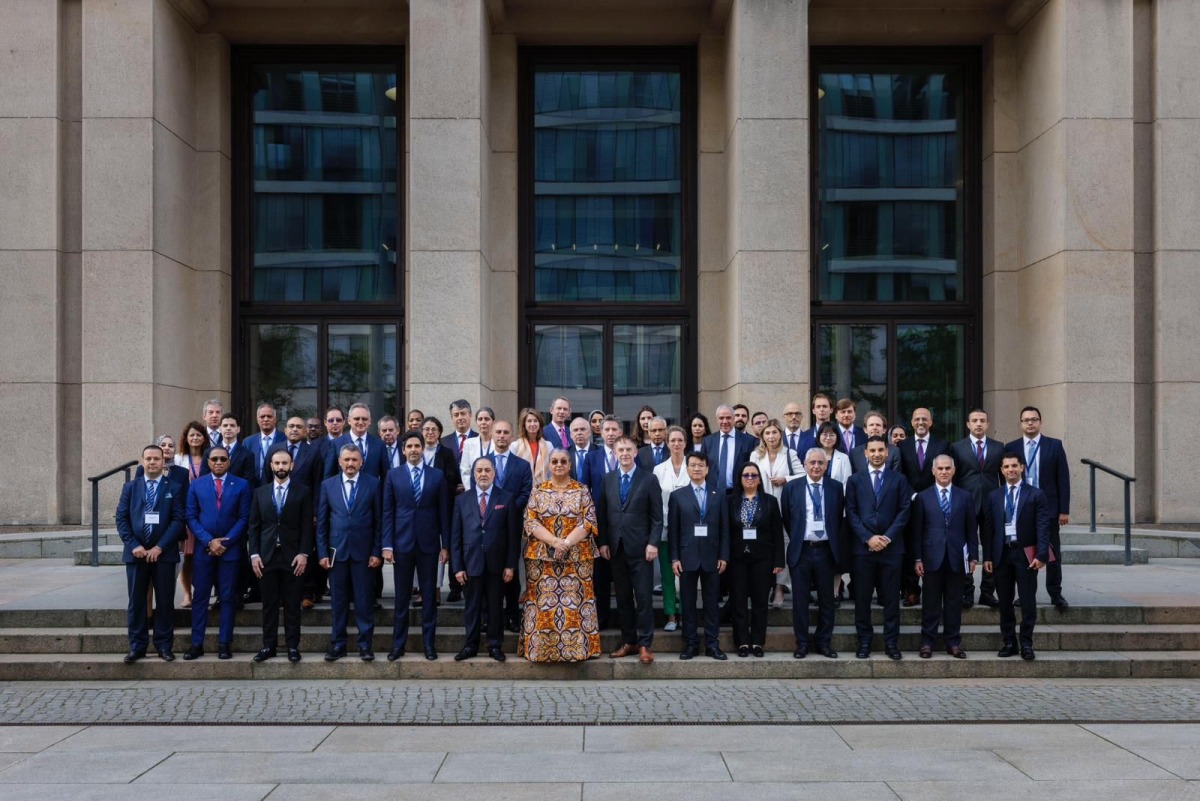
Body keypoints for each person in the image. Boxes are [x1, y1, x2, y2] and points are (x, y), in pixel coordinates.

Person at [519, 448, 602, 662]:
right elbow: (530, 520)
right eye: (554, 461)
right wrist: (555, 542)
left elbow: (589, 521)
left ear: (570, 464)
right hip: (542, 559)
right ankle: (542, 652)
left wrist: (566, 543)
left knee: (574, 605)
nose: (558, 465)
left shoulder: (581, 490)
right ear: (548, 465)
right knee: (544, 605)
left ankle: (577, 651)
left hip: (577, 558)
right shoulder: (538, 490)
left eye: (563, 461)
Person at [381, 430, 450, 661]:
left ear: (423, 448)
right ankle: (397, 646)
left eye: (417, 446)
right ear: (403, 450)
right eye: (409, 446)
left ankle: (429, 645)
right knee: (401, 598)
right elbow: (388, 512)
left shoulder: (437, 476)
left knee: (429, 597)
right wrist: (387, 545)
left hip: (429, 544)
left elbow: (443, 513)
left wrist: (445, 545)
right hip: (401, 544)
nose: (413, 450)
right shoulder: (393, 475)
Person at [116, 444, 186, 663]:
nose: (153, 462)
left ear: (163, 462)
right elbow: (121, 519)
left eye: (157, 459)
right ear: (142, 461)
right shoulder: (130, 487)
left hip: (163, 555)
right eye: (149, 459)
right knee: (136, 602)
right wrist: (134, 544)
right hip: (136, 554)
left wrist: (159, 547)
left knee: (165, 602)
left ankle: (164, 646)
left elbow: (178, 521)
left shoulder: (173, 487)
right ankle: (137, 647)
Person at [597, 436, 663, 664]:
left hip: (641, 549)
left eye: (628, 449)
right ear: (614, 453)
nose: (624, 453)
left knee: (644, 599)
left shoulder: (649, 479)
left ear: (636, 453)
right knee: (623, 599)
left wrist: (653, 543)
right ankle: (629, 642)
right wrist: (603, 542)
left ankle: (645, 644)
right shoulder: (608, 479)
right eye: (620, 450)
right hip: (616, 548)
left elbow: (657, 517)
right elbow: (602, 516)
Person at [845, 436, 911, 660]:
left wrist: (887, 538)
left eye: (880, 450)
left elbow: (904, 511)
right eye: (872, 450)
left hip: (892, 550)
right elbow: (851, 513)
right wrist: (868, 538)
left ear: (887, 452)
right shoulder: (855, 480)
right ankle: (864, 642)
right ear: (865, 453)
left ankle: (891, 644)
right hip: (863, 550)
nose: (876, 454)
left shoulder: (899, 479)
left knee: (891, 600)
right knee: (862, 599)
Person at [184, 446, 253, 660]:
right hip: (204, 550)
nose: (219, 462)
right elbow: (191, 517)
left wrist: (226, 542)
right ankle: (197, 644)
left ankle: (225, 643)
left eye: (223, 459)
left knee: (228, 598)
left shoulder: (242, 485)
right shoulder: (197, 485)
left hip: (230, 551)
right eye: (214, 459)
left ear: (229, 461)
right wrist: (208, 541)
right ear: (208, 461)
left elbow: (244, 518)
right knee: (201, 597)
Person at [317, 444, 383, 662]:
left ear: (361, 462)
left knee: (364, 602)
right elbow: (322, 523)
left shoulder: (373, 484)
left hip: (364, 554)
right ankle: (338, 645)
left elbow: (378, 521)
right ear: (339, 461)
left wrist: (376, 551)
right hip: (337, 553)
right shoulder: (328, 485)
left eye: (355, 460)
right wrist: (322, 552)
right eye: (347, 460)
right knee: (338, 602)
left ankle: (365, 645)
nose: (351, 463)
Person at [451, 458, 519, 661]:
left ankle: (495, 645)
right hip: (470, 563)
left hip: (497, 564)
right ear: (473, 474)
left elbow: (513, 536)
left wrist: (510, 565)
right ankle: (470, 645)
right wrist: (457, 567)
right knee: (471, 607)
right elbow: (456, 536)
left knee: (496, 606)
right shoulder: (462, 500)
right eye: (479, 470)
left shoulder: (506, 498)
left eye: (487, 470)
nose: (483, 474)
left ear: (494, 473)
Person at [983, 454, 1051, 660]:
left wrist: (1041, 555)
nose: (1010, 469)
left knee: (1028, 601)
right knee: (1004, 601)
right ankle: (1009, 642)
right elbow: (988, 529)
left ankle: (1026, 643)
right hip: (1002, 554)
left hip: (1025, 555)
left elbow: (1043, 526)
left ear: (1022, 468)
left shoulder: (1036, 495)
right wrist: (987, 556)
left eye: (1014, 466)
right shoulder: (994, 496)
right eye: (1006, 466)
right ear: (1001, 471)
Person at [248, 448, 312, 663]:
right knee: (269, 604)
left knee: (293, 604)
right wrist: (254, 554)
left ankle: (293, 646)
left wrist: (304, 553)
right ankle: (269, 646)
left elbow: (307, 527)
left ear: (291, 465)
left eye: (285, 463)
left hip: (293, 557)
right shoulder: (260, 492)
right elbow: (254, 526)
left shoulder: (303, 492)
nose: (281, 467)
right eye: (277, 463)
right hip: (266, 557)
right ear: (271, 466)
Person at [780, 448, 845, 659]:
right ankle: (802, 643)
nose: (816, 466)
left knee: (827, 600)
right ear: (805, 465)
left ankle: (824, 642)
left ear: (826, 465)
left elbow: (838, 519)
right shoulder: (792, 487)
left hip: (826, 550)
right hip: (802, 550)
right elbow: (788, 518)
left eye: (820, 463)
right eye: (812, 463)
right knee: (800, 601)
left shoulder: (836, 488)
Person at [1005, 406, 1071, 609]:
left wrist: (1064, 510)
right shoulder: (1012, 447)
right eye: (1026, 420)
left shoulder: (1054, 445)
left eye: (1034, 419)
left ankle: (1055, 593)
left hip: (1048, 508)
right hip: (1022, 507)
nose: (1030, 423)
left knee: (1052, 552)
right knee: (1024, 552)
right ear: (1021, 423)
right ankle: (1025, 594)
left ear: (1040, 422)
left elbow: (1063, 479)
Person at [912, 455, 977, 659]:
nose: (944, 472)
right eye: (940, 468)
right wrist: (917, 558)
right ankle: (927, 642)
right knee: (930, 603)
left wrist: (973, 556)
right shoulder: (922, 497)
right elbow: (917, 531)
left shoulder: (964, 496)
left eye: (948, 468)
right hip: (931, 557)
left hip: (957, 557)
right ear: (933, 471)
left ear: (954, 470)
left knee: (953, 603)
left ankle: (953, 643)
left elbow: (971, 529)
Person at [668, 451, 729, 660]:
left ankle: (712, 644)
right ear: (687, 468)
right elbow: (673, 530)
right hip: (686, 557)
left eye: (700, 465)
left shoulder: (719, 494)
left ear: (707, 468)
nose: (696, 468)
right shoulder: (678, 495)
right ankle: (691, 644)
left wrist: (724, 555)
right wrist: (674, 558)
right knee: (688, 603)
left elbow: (725, 528)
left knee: (712, 603)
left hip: (713, 556)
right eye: (692, 465)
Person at [727, 462, 784, 658]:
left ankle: (758, 642)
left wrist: (779, 561)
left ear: (759, 479)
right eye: (746, 475)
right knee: (738, 601)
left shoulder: (770, 501)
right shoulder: (730, 501)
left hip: (763, 558)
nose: (750, 478)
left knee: (760, 601)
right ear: (740, 479)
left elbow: (778, 533)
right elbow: (725, 532)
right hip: (737, 558)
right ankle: (742, 641)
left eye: (754, 475)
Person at [950, 408, 1004, 609]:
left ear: (988, 424)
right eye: (974, 420)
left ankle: (988, 592)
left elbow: (1003, 476)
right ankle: (967, 591)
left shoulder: (999, 447)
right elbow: (953, 478)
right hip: (965, 503)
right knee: (965, 547)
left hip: (991, 504)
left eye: (982, 420)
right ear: (968, 424)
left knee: (992, 547)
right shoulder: (956, 447)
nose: (979, 424)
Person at [485, 421, 534, 633]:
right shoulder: (483, 462)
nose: (502, 436)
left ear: (511, 435)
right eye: (498, 432)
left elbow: (526, 492)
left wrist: (506, 509)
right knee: (489, 573)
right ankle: (489, 617)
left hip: (513, 525)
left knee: (511, 571)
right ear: (492, 435)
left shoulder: (522, 465)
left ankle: (513, 614)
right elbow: (479, 490)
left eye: (506, 432)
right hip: (487, 526)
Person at [897, 407, 949, 607]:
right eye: (917, 419)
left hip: (934, 503)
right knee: (912, 545)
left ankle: (933, 588)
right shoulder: (903, 446)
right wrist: (913, 494)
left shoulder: (942, 444)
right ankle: (911, 590)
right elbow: (900, 474)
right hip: (909, 502)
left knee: (932, 543)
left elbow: (944, 472)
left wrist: (928, 496)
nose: (921, 422)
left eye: (924, 419)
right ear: (911, 422)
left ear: (931, 422)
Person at [750, 419, 803, 609]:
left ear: (780, 434)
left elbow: (803, 475)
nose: (771, 436)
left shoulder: (790, 454)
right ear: (762, 436)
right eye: (767, 433)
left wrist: (786, 479)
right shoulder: (755, 455)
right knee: (763, 546)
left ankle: (780, 588)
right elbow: (750, 476)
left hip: (784, 507)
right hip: (762, 508)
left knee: (784, 545)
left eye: (774, 432)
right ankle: (765, 586)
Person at [275, 416, 324, 610]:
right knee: (280, 552)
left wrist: (315, 512)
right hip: (278, 509)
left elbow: (318, 483)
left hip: (305, 510)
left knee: (306, 550)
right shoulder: (275, 450)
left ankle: (306, 592)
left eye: (299, 427)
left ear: (305, 431)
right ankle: (282, 594)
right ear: (285, 430)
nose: (295, 429)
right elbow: (265, 480)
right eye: (291, 426)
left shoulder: (313, 452)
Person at [584, 415, 624, 629]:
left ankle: (624, 618)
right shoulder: (592, 457)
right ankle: (602, 618)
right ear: (600, 432)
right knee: (600, 575)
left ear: (620, 432)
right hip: (599, 521)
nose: (610, 433)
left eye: (614, 429)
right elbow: (585, 489)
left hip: (623, 521)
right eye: (606, 429)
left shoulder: (627, 455)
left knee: (622, 573)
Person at [652, 425, 689, 632]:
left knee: (685, 575)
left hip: (687, 531)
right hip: (666, 530)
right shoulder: (659, 470)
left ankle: (686, 613)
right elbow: (656, 503)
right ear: (667, 444)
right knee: (667, 575)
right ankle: (671, 615)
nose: (676, 443)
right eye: (672, 440)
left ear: (685, 443)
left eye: (680, 440)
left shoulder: (692, 466)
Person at [176, 421, 208, 608]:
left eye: (198, 435)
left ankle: (202, 592)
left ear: (204, 438)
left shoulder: (210, 457)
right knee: (187, 555)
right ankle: (187, 594)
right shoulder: (180, 459)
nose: (195, 438)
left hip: (206, 512)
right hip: (187, 512)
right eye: (191, 435)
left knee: (203, 555)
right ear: (186, 438)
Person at [325, 403, 387, 481]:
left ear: (370, 421)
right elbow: (329, 477)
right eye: (357, 419)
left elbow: (385, 477)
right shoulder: (336, 444)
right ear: (349, 421)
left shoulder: (379, 445)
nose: (360, 422)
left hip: (372, 492)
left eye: (364, 419)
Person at [703, 404, 755, 494]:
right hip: (713, 493)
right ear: (717, 420)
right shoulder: (708, 441)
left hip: (739, 492)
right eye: (721, 418)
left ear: (734, 418)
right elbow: (703, 466)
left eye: (728, 418)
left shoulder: (748, 441)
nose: (725, 421)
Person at [244, 403, 285, 484]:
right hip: (254, 487)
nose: (266, 419)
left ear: (275, 419)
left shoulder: (284, 439)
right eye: (262, 417)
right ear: (257, 419)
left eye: (269, 416)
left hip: (278, 484)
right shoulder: (248, 442)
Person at [513, 407, 554, 482]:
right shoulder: (515, 446)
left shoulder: (548, 445)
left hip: (543, 489)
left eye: (535, 421)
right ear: (524, 424)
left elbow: (551, 471)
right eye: (529, 421)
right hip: (523, 489)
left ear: (539, 423)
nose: (532, 424)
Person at [458, 406, 496, 485]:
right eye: (480, 419)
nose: (483, 422)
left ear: (493, 421)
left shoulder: (498, 443)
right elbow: (465, 471)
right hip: (474, 491)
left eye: (487, 419)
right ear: (476, 422)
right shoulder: (468, 443)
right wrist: (471, 491)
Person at [441, 399, 478, 463]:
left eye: (463, 413)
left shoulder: (479, 439)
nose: (460, 418)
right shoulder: (443, 442)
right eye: (456, 415)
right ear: (452, 418)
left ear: (470, 415)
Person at [568, 417, 594, 485]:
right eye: (575, 430)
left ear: (589, 432)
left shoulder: (599, 452)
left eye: (582, 429)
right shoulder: (566, 453)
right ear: (571, 435)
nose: (579, 433)